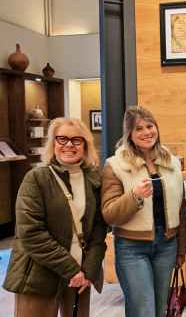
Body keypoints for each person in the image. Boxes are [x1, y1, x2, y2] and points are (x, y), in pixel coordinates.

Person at [3, 118, 107, 317]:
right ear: (53, 143)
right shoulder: (36, 178)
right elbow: (31, 233)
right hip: (39, 276)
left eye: (77, 140)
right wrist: (71, 270)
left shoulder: (93, 179)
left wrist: (89, 271)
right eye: (62, 139)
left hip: (80, 277)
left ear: (85, 145)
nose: (69, 144)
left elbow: (98, 230)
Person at [101, 105, 186, 317]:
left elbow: (181, 208)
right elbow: (109, 213)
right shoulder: (115, 165)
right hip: (132, 248)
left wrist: (181, 248)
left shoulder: (171, 162)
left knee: (160, 309)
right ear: (129, 134)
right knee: (144, 310)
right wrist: (135, 196)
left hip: (166, 245)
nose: (146, 132)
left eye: (150, 126)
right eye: (138, 128)